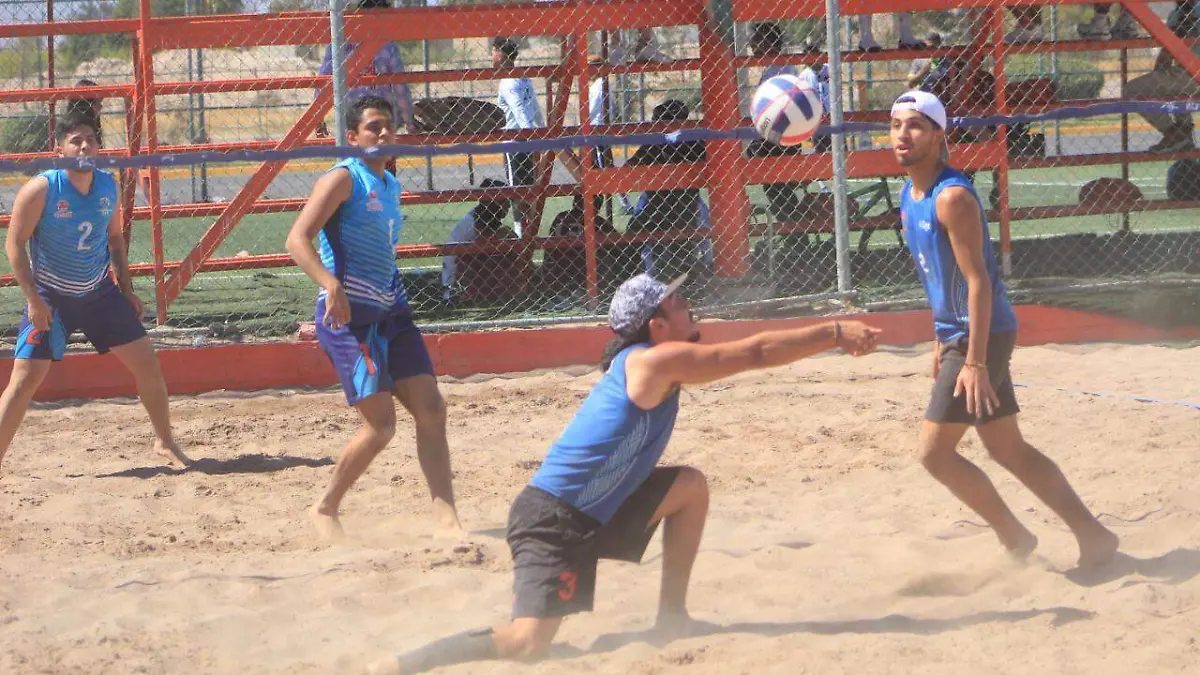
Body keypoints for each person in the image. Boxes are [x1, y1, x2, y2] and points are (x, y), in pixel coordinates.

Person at [365, 272, 881, 675]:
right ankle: (406, 663)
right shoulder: (652, 363)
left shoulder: (655, 360)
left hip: (598, 509)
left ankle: (672, 617)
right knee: (527, 644)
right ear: (655, 326)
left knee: (689, 488)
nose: (686, 303)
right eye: (675, 303)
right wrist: (832, 331)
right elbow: (755, 353)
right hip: (554, 518)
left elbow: (748, 352)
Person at [888, 91, 1120, 568]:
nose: (902, 135)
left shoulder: (951, 196)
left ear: (937, 134)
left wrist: (972, 360)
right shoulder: (909, 195)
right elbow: (939, 275)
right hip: (963, 333)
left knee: (935, 455)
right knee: (1007, 448)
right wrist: (940, 337)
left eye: (914, 125)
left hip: (982, 334)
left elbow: (979, 282)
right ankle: (1094, 535)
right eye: (895, 125)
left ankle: (1016, 538)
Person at [285, 95, 462, 541]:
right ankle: (325, 507)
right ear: (352, 136)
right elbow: (296, 240)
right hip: (348, 321)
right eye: (373, 127)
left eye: (388, 126)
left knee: (432, 410)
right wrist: (329, 284)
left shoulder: (389, 184)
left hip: (391, 311)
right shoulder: (344, 178)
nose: (383, 134)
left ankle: (448, 521)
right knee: (381, 425)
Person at [0, 110, 190, 473]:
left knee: (148, 364)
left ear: (99, 147)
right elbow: (14, 245)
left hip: (99, 294)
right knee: (23, 382)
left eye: (90, 139)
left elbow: (115, 238)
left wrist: (127, 289)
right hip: (52, 297)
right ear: (60, 151)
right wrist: (34, 300)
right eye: (75, 140)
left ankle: (164, 442)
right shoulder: (43, 188)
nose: (84, 145)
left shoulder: (107, 185)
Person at [492, 37, 582, 237]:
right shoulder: (522, 77)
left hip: (516, 144)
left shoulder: (507, 83)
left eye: (493, 51)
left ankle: (521, 239)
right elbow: (533, 109)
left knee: (518, 195)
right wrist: (540, 133)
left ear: (499, 52)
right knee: (529, 193)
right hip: (530, 140)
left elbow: (522, 114)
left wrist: (535, 137)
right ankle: (527, 236)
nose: (492, 56)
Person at [315, 0, 415, 136]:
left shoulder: (340, 44)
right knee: (384, 151)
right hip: (381, 115)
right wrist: (409, 121)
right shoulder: (388, 45)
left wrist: (317, 119)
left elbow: (322, 83)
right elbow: (400, 88)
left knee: (351, 149)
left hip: (351, 116)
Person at [1125, 1, 1200, 152]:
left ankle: (1175, 134)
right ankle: (1182, 132)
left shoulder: (1189, 10)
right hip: (1184, 74)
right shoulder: (1178, 12)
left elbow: (1167, 51)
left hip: (1192, 75)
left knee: (1130, 90)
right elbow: (1166, 53)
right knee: (1171, 83)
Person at [441, 178, 518, 302]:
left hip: (462, 267)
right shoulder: (479, 217)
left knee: (506, 246)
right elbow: (484, 242)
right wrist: (505, 234)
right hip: (456, 275)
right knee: (502, 253)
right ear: (494, 201)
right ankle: (466, 291)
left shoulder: (486, 215)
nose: (508, 204)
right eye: (504, 200)